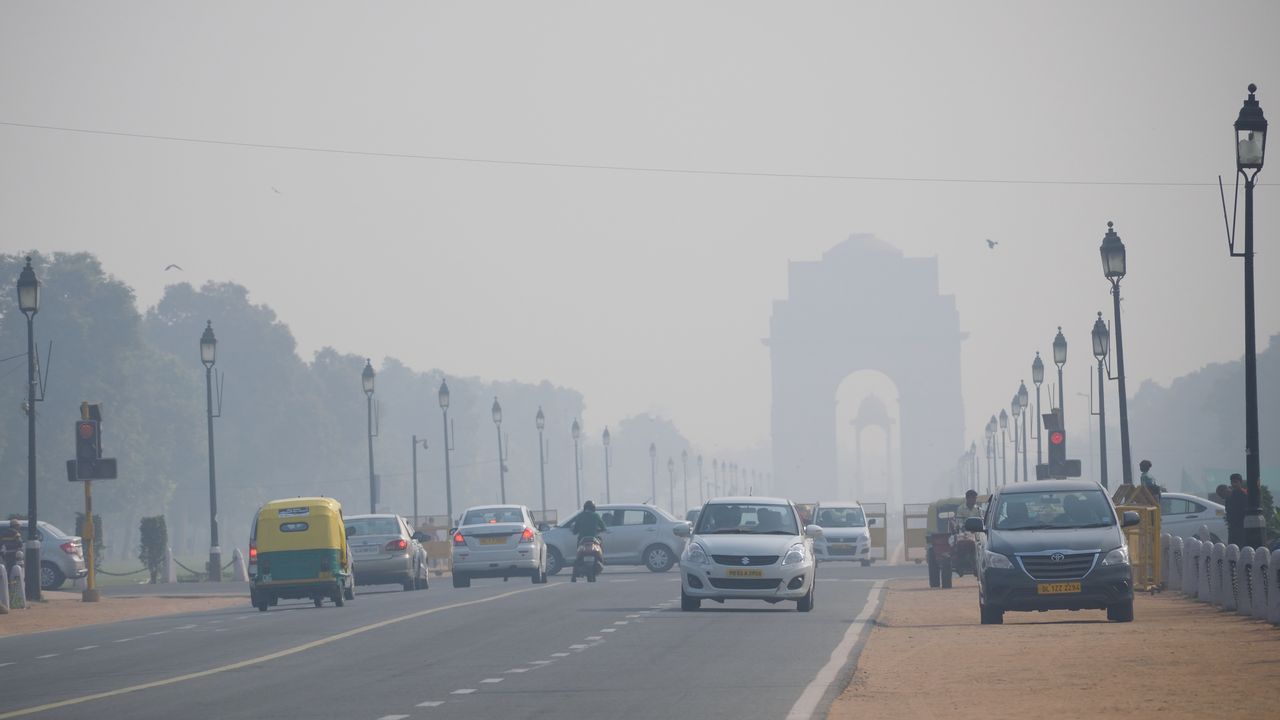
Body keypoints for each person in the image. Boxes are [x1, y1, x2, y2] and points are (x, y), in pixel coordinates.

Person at [1225, 473, 1248, 547]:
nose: (1233, 484)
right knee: (1232, 547)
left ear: (1240, 482)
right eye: (1232, 482)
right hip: (1232, 526)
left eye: (1236, 482)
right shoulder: (1230, 495)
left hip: (1242, 526)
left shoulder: (1245, 494)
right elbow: (1228, 509)